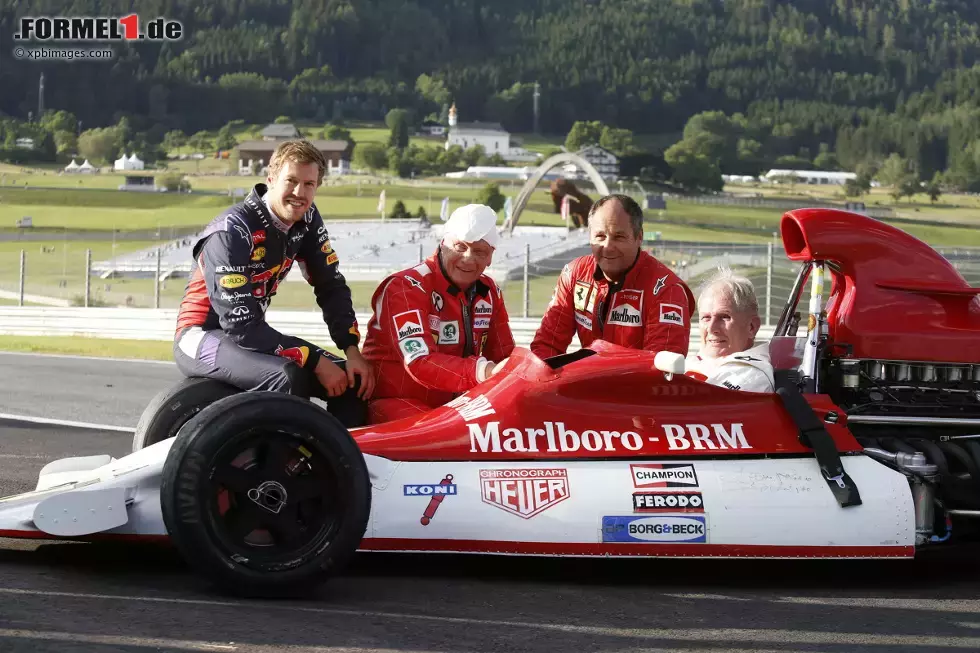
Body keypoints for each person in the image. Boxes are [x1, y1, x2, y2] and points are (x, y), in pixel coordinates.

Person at [173, 139, 375, 427]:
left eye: (309, 184)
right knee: (286, 376)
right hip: (201, 337)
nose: (299, 193)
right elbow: (239, 325)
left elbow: (330, 285)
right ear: (270, 179)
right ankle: (275, 467)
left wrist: (352, 351)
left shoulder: (307, 219)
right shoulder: (232, 231)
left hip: (251, 336)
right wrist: (315, 361)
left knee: (354, 380)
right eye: (291, 181)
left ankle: (344, 464)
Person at [361, 204, 515, 423]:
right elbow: (419, 361)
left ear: (490, 257)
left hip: (460, 407)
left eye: (480, 251)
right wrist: (485, 370)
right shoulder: (405, 288)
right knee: (445, 437)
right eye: (460, 247)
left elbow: (504, 357)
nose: (468, 258)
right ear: (443, 245)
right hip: (394, 402)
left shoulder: (489, 292)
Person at [530, 194, 695, 359]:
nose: (608, 247)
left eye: (619, 237)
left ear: (639, 237)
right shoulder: (574, 274)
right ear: (590, 237)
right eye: (600, 236)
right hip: (588, 381)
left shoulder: (667, 291)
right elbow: (546, 345)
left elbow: (661, 373)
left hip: (636, 384)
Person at [685, 268, 774, 393]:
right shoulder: (689, 362)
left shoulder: (751, 377)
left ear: (752, 327)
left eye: (724, 317)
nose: (711, 328)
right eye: (706, 318)